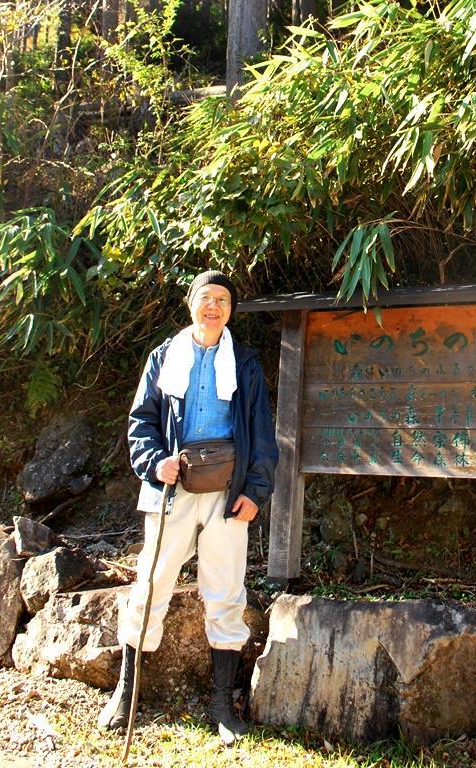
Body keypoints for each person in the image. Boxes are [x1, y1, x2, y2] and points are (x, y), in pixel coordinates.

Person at [98, 270, 279, 743]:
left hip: (227, 491)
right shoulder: (164, 357)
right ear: (190, 304)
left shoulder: (244, 362)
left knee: (225, 590)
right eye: (206, 298)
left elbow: (261, 429)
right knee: (151, 581)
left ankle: (221, 704)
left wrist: (254, 491)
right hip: (171, 486)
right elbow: (142, 421)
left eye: (222, 300)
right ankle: (126, 691)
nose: (214, 307)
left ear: (231, 310)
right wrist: (154, 462)